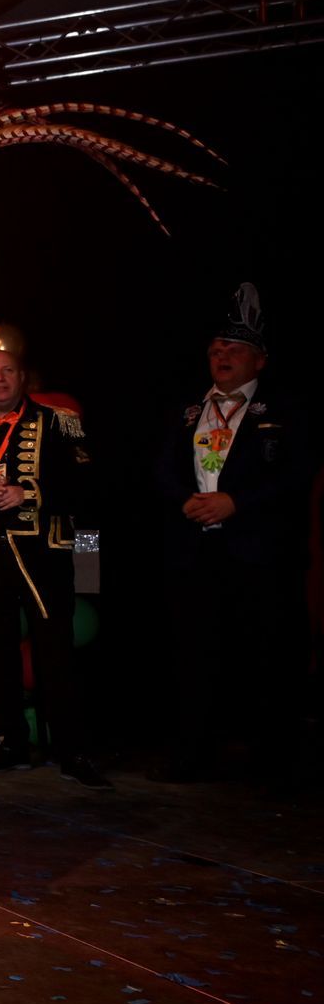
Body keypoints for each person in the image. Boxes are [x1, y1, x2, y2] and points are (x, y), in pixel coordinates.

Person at [151, 284, 310, 783]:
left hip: (257, 553)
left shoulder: (283, 410)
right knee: (195, 655)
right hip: (195, 552)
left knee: (266, 656)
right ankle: (192, 754)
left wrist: (236, 501)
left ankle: (273, 762)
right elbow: (161, 468)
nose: (222, 356)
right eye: (216, 350)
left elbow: (297, 475)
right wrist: (184, 498)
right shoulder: (188, 410)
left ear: (259, 361)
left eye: (234, 349)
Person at [0, 349, 103, 786]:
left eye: (7, 371)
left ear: (22, 377)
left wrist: (30, 493)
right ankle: (11, 745)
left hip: (44, 557)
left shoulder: (59, 423)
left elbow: (88, 486)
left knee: (56, 654)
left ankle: (73, 752)